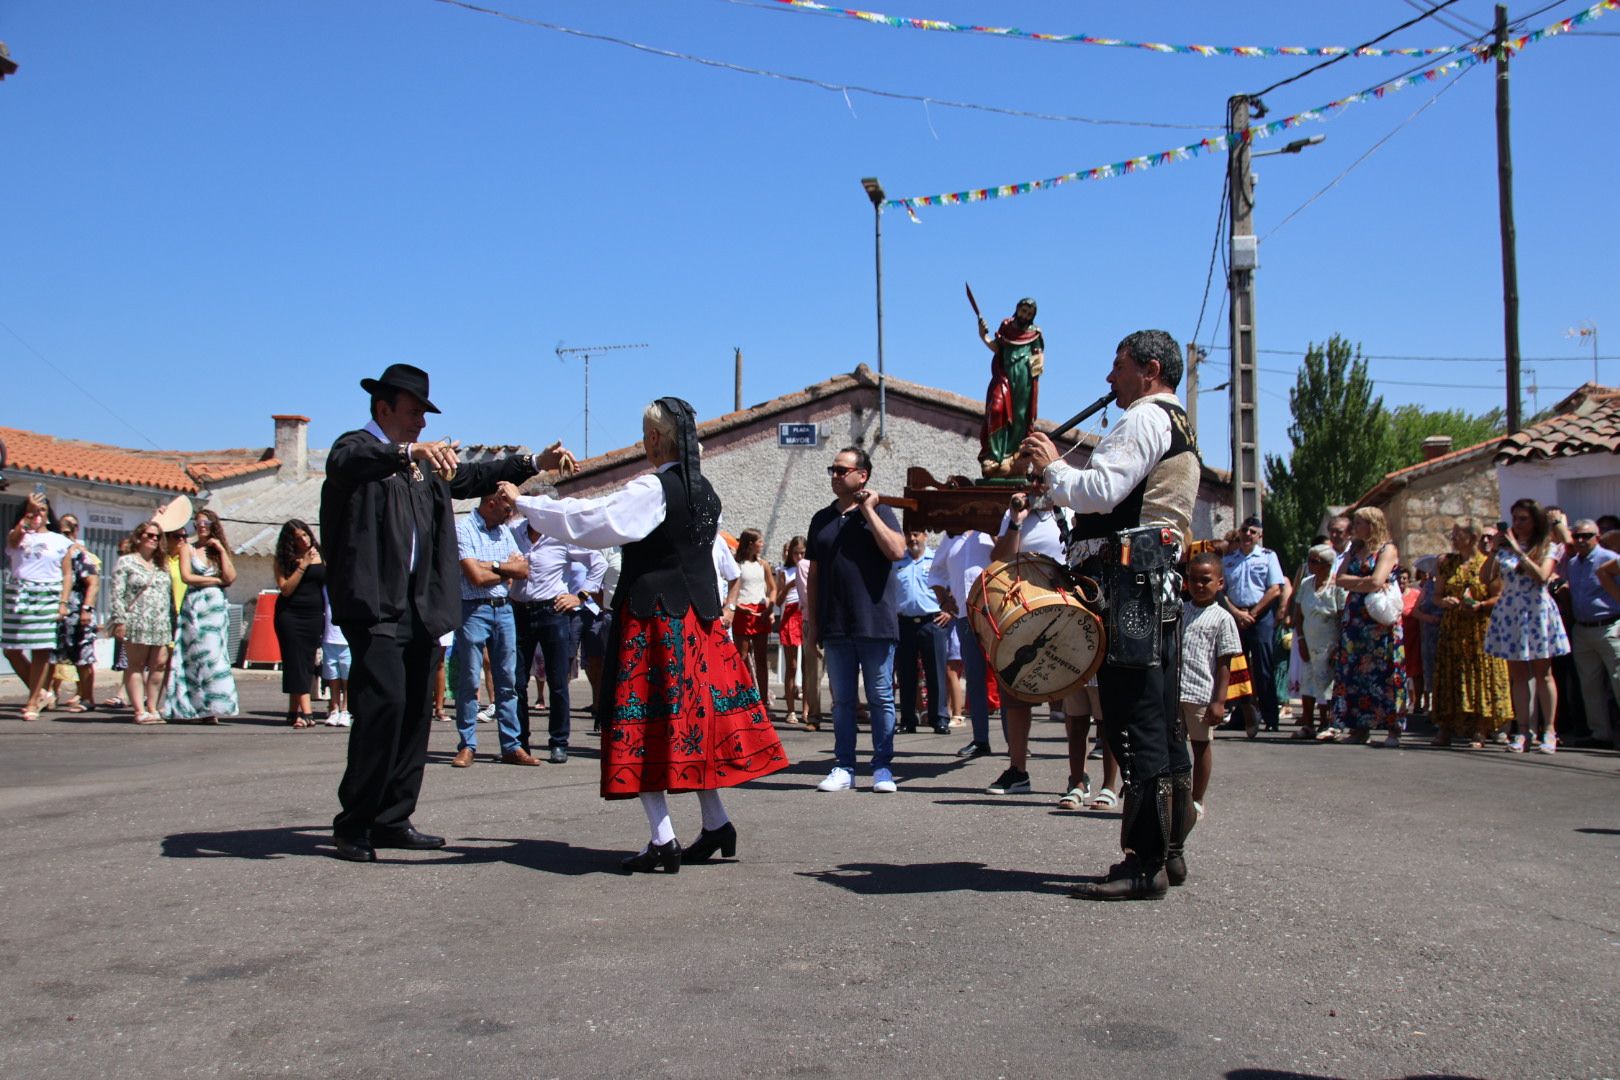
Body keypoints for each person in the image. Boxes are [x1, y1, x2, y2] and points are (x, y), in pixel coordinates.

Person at [514, 397, 789, 870]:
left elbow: (593, 522)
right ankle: (715, 822)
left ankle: (663, 839)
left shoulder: (653, 487)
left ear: (656, 439)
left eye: (647, 436)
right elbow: (718, 562)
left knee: (643, 722)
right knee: (689, 724)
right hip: (698, 624)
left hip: (655, 620)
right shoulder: (705, 491)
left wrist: (524, 503)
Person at [322, 363, 557, 863]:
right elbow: (350, 461)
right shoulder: (356, 449)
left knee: (413, 715)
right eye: (414, 414)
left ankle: (392, 818)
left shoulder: (424, 467)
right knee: (382, 707)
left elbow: (474, 476)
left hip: (420, 608)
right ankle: (354, 822)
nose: (422, 424)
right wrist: (405, 452)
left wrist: (534, 460)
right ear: (384, 409)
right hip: (375, 607)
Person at [1020, 328, 1202, 901]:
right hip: (1155, 590)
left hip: (1131, 590)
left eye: (1118, 366)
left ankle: (1142, 862)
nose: (1109, 378)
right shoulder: (1176, 421)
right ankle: (1169, 850)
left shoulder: (1146, 418)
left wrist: (1053, 466)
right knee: (1161, 720)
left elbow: (1102, 489)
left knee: (1132, 722)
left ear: (1148, 369)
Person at [804, 446, 906, 793]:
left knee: (880, 698)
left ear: (862, 475)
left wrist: (869, 509)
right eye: (831, 470)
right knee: (843, 700)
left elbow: (897, 551)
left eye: (841, 470)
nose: (834, 475)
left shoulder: (882, 512)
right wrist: (811, 620)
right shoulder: (821, 519)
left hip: (874, 621)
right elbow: (814, 574)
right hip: (835, 623)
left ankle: (882, 768)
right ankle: (844, 766)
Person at [985, 482, 1074, 795]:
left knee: (1074, 698)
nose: (1037, 486)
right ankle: (1017, 769)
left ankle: (1079, 777)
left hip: (1064, 609)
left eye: (1042, 479)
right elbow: (999, 560)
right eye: (1032, 480)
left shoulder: (1072, 509)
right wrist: (1015, 522)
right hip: (1025, 610)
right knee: (1015, 694)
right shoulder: (1015, 515)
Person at [450, 488, 537, 767]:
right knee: (470, 679)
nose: (510, 513)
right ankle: (467, 744)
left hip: (504, 609)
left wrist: (493, 565)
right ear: (491, 503)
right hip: (472, 609)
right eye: (507, 508)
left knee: (507, 680)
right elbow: (474, 576)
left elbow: (523, 570)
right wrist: (504, 570)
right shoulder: (463, 529)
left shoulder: (504, 531)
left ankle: (512, 745)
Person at [1482, 499, 1570, 753]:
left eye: (1523, 519)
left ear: (1535, 521)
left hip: (1536, 610)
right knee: (1518, 675)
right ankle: (1522, 730)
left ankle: (1549, 731)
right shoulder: (1505, 548)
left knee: (1544, 672)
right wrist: (1494, 552)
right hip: (1511, 611)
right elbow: (1486, 577)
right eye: (1515, 519)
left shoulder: (1547, 546)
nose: (1517, 524)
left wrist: (1519, 552)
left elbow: (1542, 576)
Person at [509, 517, 596, 761]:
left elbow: (596, 562)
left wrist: (580, 596)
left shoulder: (562, 534)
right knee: (517, 682)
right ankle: (519, 743)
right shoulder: (515, 531)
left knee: (558, 682)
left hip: (553, 611)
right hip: (520, 611)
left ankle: (559, 742)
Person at [1331, 507, 1408, 746]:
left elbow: (1378, 581)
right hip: (1355, 619)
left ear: (1373, 525)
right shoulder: (1354, 549)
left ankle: (1393, 729)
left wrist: (1364, 583)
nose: (1355, 527)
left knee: (1384, 671)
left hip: (1378, 621)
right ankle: (1358, 728)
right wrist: (1366, 582)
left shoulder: (1388, 549)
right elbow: (1340, 579)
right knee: (1354, 671)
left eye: (1360, 522)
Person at [1431, 523, 1511, 747]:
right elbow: (1436, 595)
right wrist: (1443, 601)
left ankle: (1480, 730)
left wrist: (1480, 604)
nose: (1453, 538)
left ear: (1472, 537)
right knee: (1451, 676)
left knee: (1479, 676)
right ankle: (1445, 728)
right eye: (1453, 534)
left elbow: (1498, 596)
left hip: (1479, 628)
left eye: (1458, 535)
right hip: (1453, 628)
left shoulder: (1488, 564)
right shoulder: (1446, 563)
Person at [163, 508, 239, 724]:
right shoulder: (188, 548)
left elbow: (231, 576)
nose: (201, 526)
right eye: (198, 524)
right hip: (196, 607)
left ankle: (214, 706)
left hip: (215, 609)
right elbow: (187, 576)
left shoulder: (217, 550)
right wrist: (216, 581)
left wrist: (221, 550)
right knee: (194, 657)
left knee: (214, 657)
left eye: (205, 522)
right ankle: (193, 707)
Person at [1180, 553, 1240, 818]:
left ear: (1220, 583)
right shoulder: (1179, 610)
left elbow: (1224, 663)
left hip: (1201, 692)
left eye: (1205, 580)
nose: (1199, 585)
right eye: (1193, 580)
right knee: (1173, 746)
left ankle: (1196, 799)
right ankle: (1175, 796)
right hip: (1174, 692)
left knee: (1200, 744)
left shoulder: (1222, 618)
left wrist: (1219, 701)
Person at [4, 492, 72, 721]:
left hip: (47, 594)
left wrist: (63, 603)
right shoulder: (19, 536)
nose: (37, 515)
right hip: (19, 594)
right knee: (11, 649)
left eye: (42, 510)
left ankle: (33, 700)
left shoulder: (60, 541)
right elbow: (13, 541)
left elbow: (67, 574)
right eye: (33, 511)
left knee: (41, 649)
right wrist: (26, 517)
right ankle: (42, 691)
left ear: (48, 515)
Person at [929, 528, 995, 758]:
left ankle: (1015, 742)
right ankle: (980, 740)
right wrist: (944, 599)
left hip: (996, 613)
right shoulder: (951, 535)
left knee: (1005, 679)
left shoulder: (992, 530)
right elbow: (936, 572)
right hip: (966, 616)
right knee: (975, 679)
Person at [1222, 516, 1286, 737]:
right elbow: (1222, 591)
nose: (1247, 534)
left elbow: (1275, 589)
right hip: (1236, 615)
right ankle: (1241, 716)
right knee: (1237, 668)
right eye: (1244, 530)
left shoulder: (1268, 557)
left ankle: (1270, 717)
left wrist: (1253, 613)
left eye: (1253, 531)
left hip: (1260, 616)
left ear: (1259, 536)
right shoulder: (1229, 560)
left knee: (1263, 668)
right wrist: (1237, 613)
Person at [108, 520, 176, 724]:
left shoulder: (162, 564)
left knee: (160, 664)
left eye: (157, 536)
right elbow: (117, 594)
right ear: (139, 537)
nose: (154, 539)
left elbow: (168, 595)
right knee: (136, 665)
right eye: (149, 535)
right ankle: (139, 710)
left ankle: (153, 707)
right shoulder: (127, 562)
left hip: (160, 621)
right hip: (136, 620)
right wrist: (119, 621)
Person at [1561, 519, 1620, 749]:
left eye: (1586, 536)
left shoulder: (1609, 559)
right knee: (1589, 684)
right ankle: (1600, 733)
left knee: (1618, 680)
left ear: (1597, 536)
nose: (1581, 540)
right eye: (1577, 536)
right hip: (1583, 628)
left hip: (1609, 626)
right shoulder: (1574, 563)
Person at [977, 297, 1045, 478]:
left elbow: (1038, 358)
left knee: (1020, 418)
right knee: (996, 409)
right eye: (1023, 311)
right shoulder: (1006, 327)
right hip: (1005, 378)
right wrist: (983, 335)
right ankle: (994, 455)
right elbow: (996, 348)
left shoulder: (1035, 334)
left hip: (1024, 382)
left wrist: (1036, 369)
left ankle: (1012, 455)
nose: (1025, 316)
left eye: (1029, 314)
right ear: (1017, 309)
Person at [892, 528, 950, 736]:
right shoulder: (897, 561)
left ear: (925, 536)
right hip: (905, 623)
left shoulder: (936, 560)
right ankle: (908, 719)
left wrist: (949, 612)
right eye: (909, 534)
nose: (912, 538)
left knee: (935, 673)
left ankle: (939, 719)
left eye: (916, 534)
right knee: (906, 674)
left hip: (932, 621)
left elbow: (950, 586)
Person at [273, 519, 326, 729]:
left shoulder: (320, 554)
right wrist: (302, 565)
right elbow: (285, 588)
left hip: (314, 615)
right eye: (298, 538)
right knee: (295, 661)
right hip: (290, 615)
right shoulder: (284, 560)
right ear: (290, 542)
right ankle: (306, 712)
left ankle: (292, 711)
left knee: (307, 661)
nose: (304, 540)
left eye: (305, 535)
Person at [1290, 544, 1343, 741]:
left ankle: (1327, 723)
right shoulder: (1306, 583)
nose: (1310, 565)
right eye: (1309, 560)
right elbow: (1298, 614)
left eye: (1315, 561)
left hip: (1328, 641)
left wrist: (1339, 646)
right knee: (1308, 680)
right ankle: (1308, 724)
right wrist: (1301, 639)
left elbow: (1341, 615)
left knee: (1326, 682)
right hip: (1308, 639)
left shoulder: (1337, 585)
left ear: (1327, 564)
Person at [51, 513, 101, 714]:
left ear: (75, 531)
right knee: (50, 658)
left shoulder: (79, 554)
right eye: (61, 532)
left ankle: (87, 697)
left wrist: (87, 609)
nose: (65, 535)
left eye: (68, 531)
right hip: (55, 613)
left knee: (83, 657)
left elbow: (93, 581)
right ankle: (47, 696)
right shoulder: (54, 552)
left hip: (77, 612)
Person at [726, 528, 777, 711]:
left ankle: (762, 700)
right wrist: (738, 607)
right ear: (750, 544)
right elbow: (730, 589)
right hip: (742, 612)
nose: (762, 545)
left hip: (760, 611)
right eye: (759, 542)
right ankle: (743, 698)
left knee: (762, 659)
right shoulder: (737, 564)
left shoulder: (763, 565)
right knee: (742, 657)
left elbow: (772, 588)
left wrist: (770, 606)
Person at [775, 536, 807, 726]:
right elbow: (778, 601)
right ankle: (790, 710)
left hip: (805, 613)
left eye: (803, 553)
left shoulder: (810, 567)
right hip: (789, 613)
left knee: (807, 667)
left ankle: (806, 709)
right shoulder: (785, 571)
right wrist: (787, 586)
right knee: (792, 666)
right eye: (796, 553)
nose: (799, 556)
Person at [320, 587, 352, 727]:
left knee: (347, 679)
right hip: (329, 638)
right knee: (332, 678)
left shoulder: (351, 584)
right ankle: (334, 709)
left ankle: (345, 710)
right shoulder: (326, 586)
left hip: (347, 639)